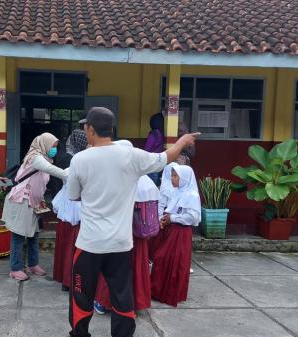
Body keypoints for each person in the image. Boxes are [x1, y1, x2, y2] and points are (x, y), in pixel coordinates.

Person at [66, 107, 198, 337]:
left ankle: (80, 334)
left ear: (90, 129)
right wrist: (182, 140)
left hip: (89, 244)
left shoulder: (80, 159)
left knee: (81, 294)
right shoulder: (132, 156)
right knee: (122, 295)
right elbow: (165, 157)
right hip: (120, 244)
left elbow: (73, 195)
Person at [93, 140, 158, 315]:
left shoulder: (116, 178)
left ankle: (104, 302)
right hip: (139, 235)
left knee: (112, 268)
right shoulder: (146, 180)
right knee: (136, 268)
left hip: (118, 232)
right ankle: (134, 303)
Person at [3, 133, 68, 281]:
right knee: (19, 235)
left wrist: (41, 200)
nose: (54, 149)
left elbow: (40, 183)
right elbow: (56, 172)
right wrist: (71, 173)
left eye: (56, 146)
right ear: (43, 144)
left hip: (35, 202)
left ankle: (33, 264)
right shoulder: (35, 158)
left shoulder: (46, 159)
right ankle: (15, 268)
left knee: (34, 234)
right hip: (21, 200)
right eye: (52, 146)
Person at [151, 164, 200, 307]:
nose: (172, 178)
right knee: (162, 260)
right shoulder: (178, 192)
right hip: (171, 231)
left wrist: (172, 218)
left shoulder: (191, 195)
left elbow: (192, 217)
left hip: (181, 233)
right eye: (172, 175)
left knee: (173, 262)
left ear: (184, 178)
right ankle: (158, 291)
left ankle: (169, 293)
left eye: (175, 176)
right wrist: (166, 219)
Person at [51, 130, 88, 291]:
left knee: (66, 245)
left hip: (67, 205)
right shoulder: (77, 159)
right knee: (73, 245)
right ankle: (70, 280)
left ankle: (64, 276)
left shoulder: (74, 158)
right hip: (75, 207)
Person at [144, 113, 165, 185]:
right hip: (158, 161)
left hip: (151, 161)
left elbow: (147, 148)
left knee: (149, 184)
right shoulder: (161, 133)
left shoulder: (154, 133)